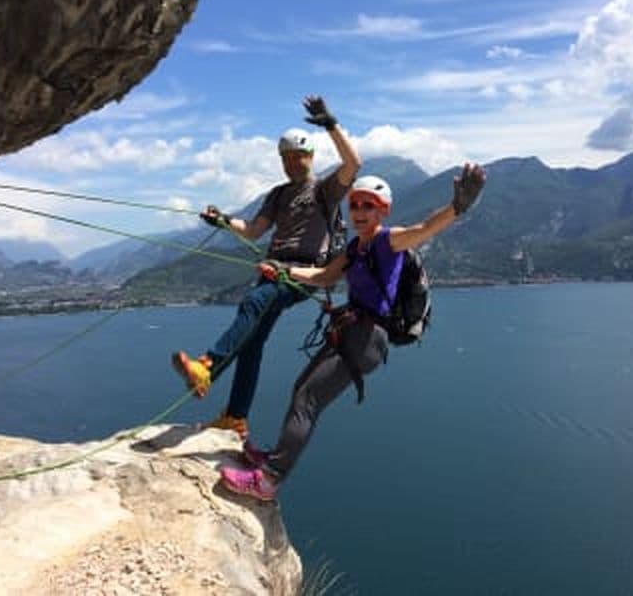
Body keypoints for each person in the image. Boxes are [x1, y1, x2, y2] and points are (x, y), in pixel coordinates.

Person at [219, 162, 487, 500]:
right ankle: (274, 459)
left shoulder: (390, 241)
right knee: (302, 389)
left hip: (367, 338)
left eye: (368, 206)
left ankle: (269, 480)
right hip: (350, 330)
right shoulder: (353, 249)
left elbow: (425, 228)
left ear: (383, 211)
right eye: (355, 204)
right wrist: (283, 270)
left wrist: (457, 207)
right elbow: (324, 276)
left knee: (308, 399)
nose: (359, 211)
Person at [172, 96, 361, 438]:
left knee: (254, 302)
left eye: (297, 157)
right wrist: (223, 221)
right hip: (274, 268)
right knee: (252, 343)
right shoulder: (277, 195)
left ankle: (208, 366)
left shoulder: (325, 190)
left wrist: (330, 123)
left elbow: (353, 163)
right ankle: (235, 418)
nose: (291, 164)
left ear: (310, 157)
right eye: (286, 158)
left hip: (304, 274)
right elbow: (255, 230)